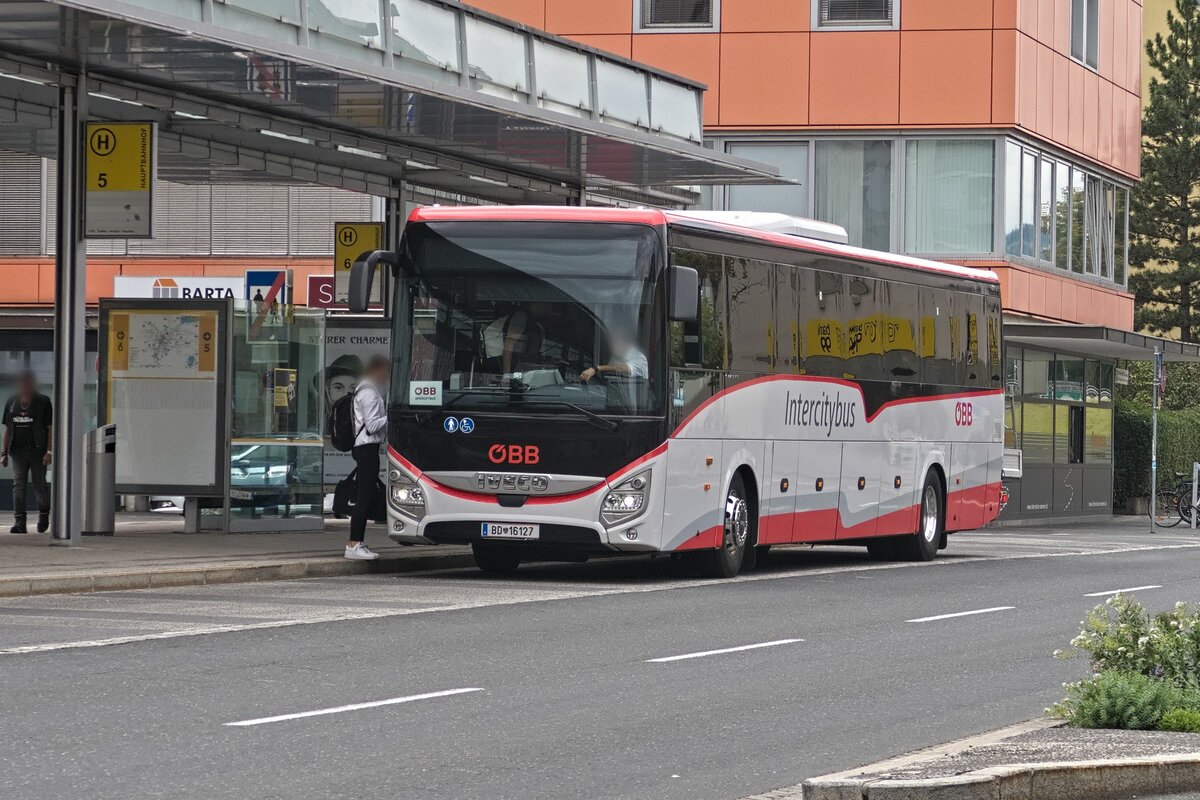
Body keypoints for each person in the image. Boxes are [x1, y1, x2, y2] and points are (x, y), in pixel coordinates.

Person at [346, 354, 389, 560]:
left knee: (365, 495)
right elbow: (372, 426)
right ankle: (354, 544)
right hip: (367, 449)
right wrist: (390, 416)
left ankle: (357, 542)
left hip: (364, 449)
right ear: (377, 370)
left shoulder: (363, 389)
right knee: (364, 497)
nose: (385, 377)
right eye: (384, 372)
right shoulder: (369, 393)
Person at [2, 371, 52, 534]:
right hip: (17, 451)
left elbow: (49, 429)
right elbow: (7, 429)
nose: (24, 386)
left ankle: (44, 515)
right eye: (22, 383)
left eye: (27, 382)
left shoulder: (43, 402)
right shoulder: (11, 402)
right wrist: (4, 452)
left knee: (39, 485)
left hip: (38, 451)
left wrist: (49, 451)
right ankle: (20, 522)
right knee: (18, 486)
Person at [581, 322, 648, 383]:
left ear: (627, 340)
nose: (613, 343)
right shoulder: (614, 356)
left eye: (618, 339)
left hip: (634, 396)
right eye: (613, 339)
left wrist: (596, 368)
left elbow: (625, 368)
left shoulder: (640, 358)